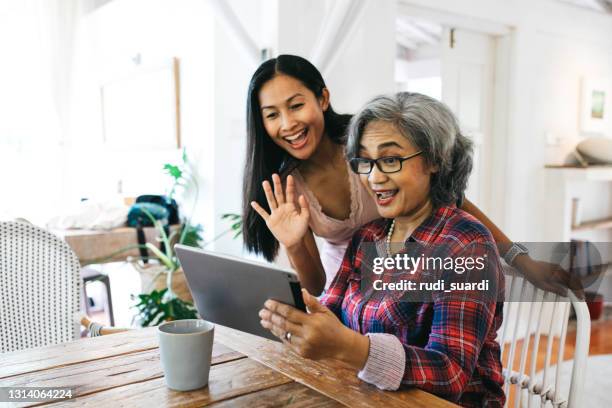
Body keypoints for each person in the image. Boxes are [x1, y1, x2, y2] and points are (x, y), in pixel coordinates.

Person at [244, 54, 574, 297]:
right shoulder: (284, 187)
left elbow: (455, 201)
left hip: (417, 276)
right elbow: (315, 285)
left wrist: (522, 260)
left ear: (323, 98)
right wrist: (293, 245)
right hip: (354, 296)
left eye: (296, 106)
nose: (287, 124)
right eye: (272, 115)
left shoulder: (368, 140)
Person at [259, 92, 505, 407]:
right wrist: (298, 317)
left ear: (434, 160)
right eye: (364, 161)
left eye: (390, 159)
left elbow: (451, 373)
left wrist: (350, 347)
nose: (373, 177)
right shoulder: (369, 236)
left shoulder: (467, 245)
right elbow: (330, 312)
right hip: (365, 397)